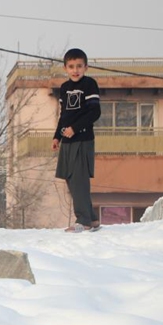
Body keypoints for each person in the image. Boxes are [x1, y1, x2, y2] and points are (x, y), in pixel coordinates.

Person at [52, 48, 102, 233]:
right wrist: (57, 136)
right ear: (65, 68)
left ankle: (84, 221)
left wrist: (77, 128)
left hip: (83, 139)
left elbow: (95, 112)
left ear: (86, 67)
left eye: (79, 66)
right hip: (67, 140)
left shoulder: (89, 84)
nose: (75, 70)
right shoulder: (65, 88)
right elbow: (63, 115)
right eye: (71, 66)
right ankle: (92, 218)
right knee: (70, 178)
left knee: (79, 180)